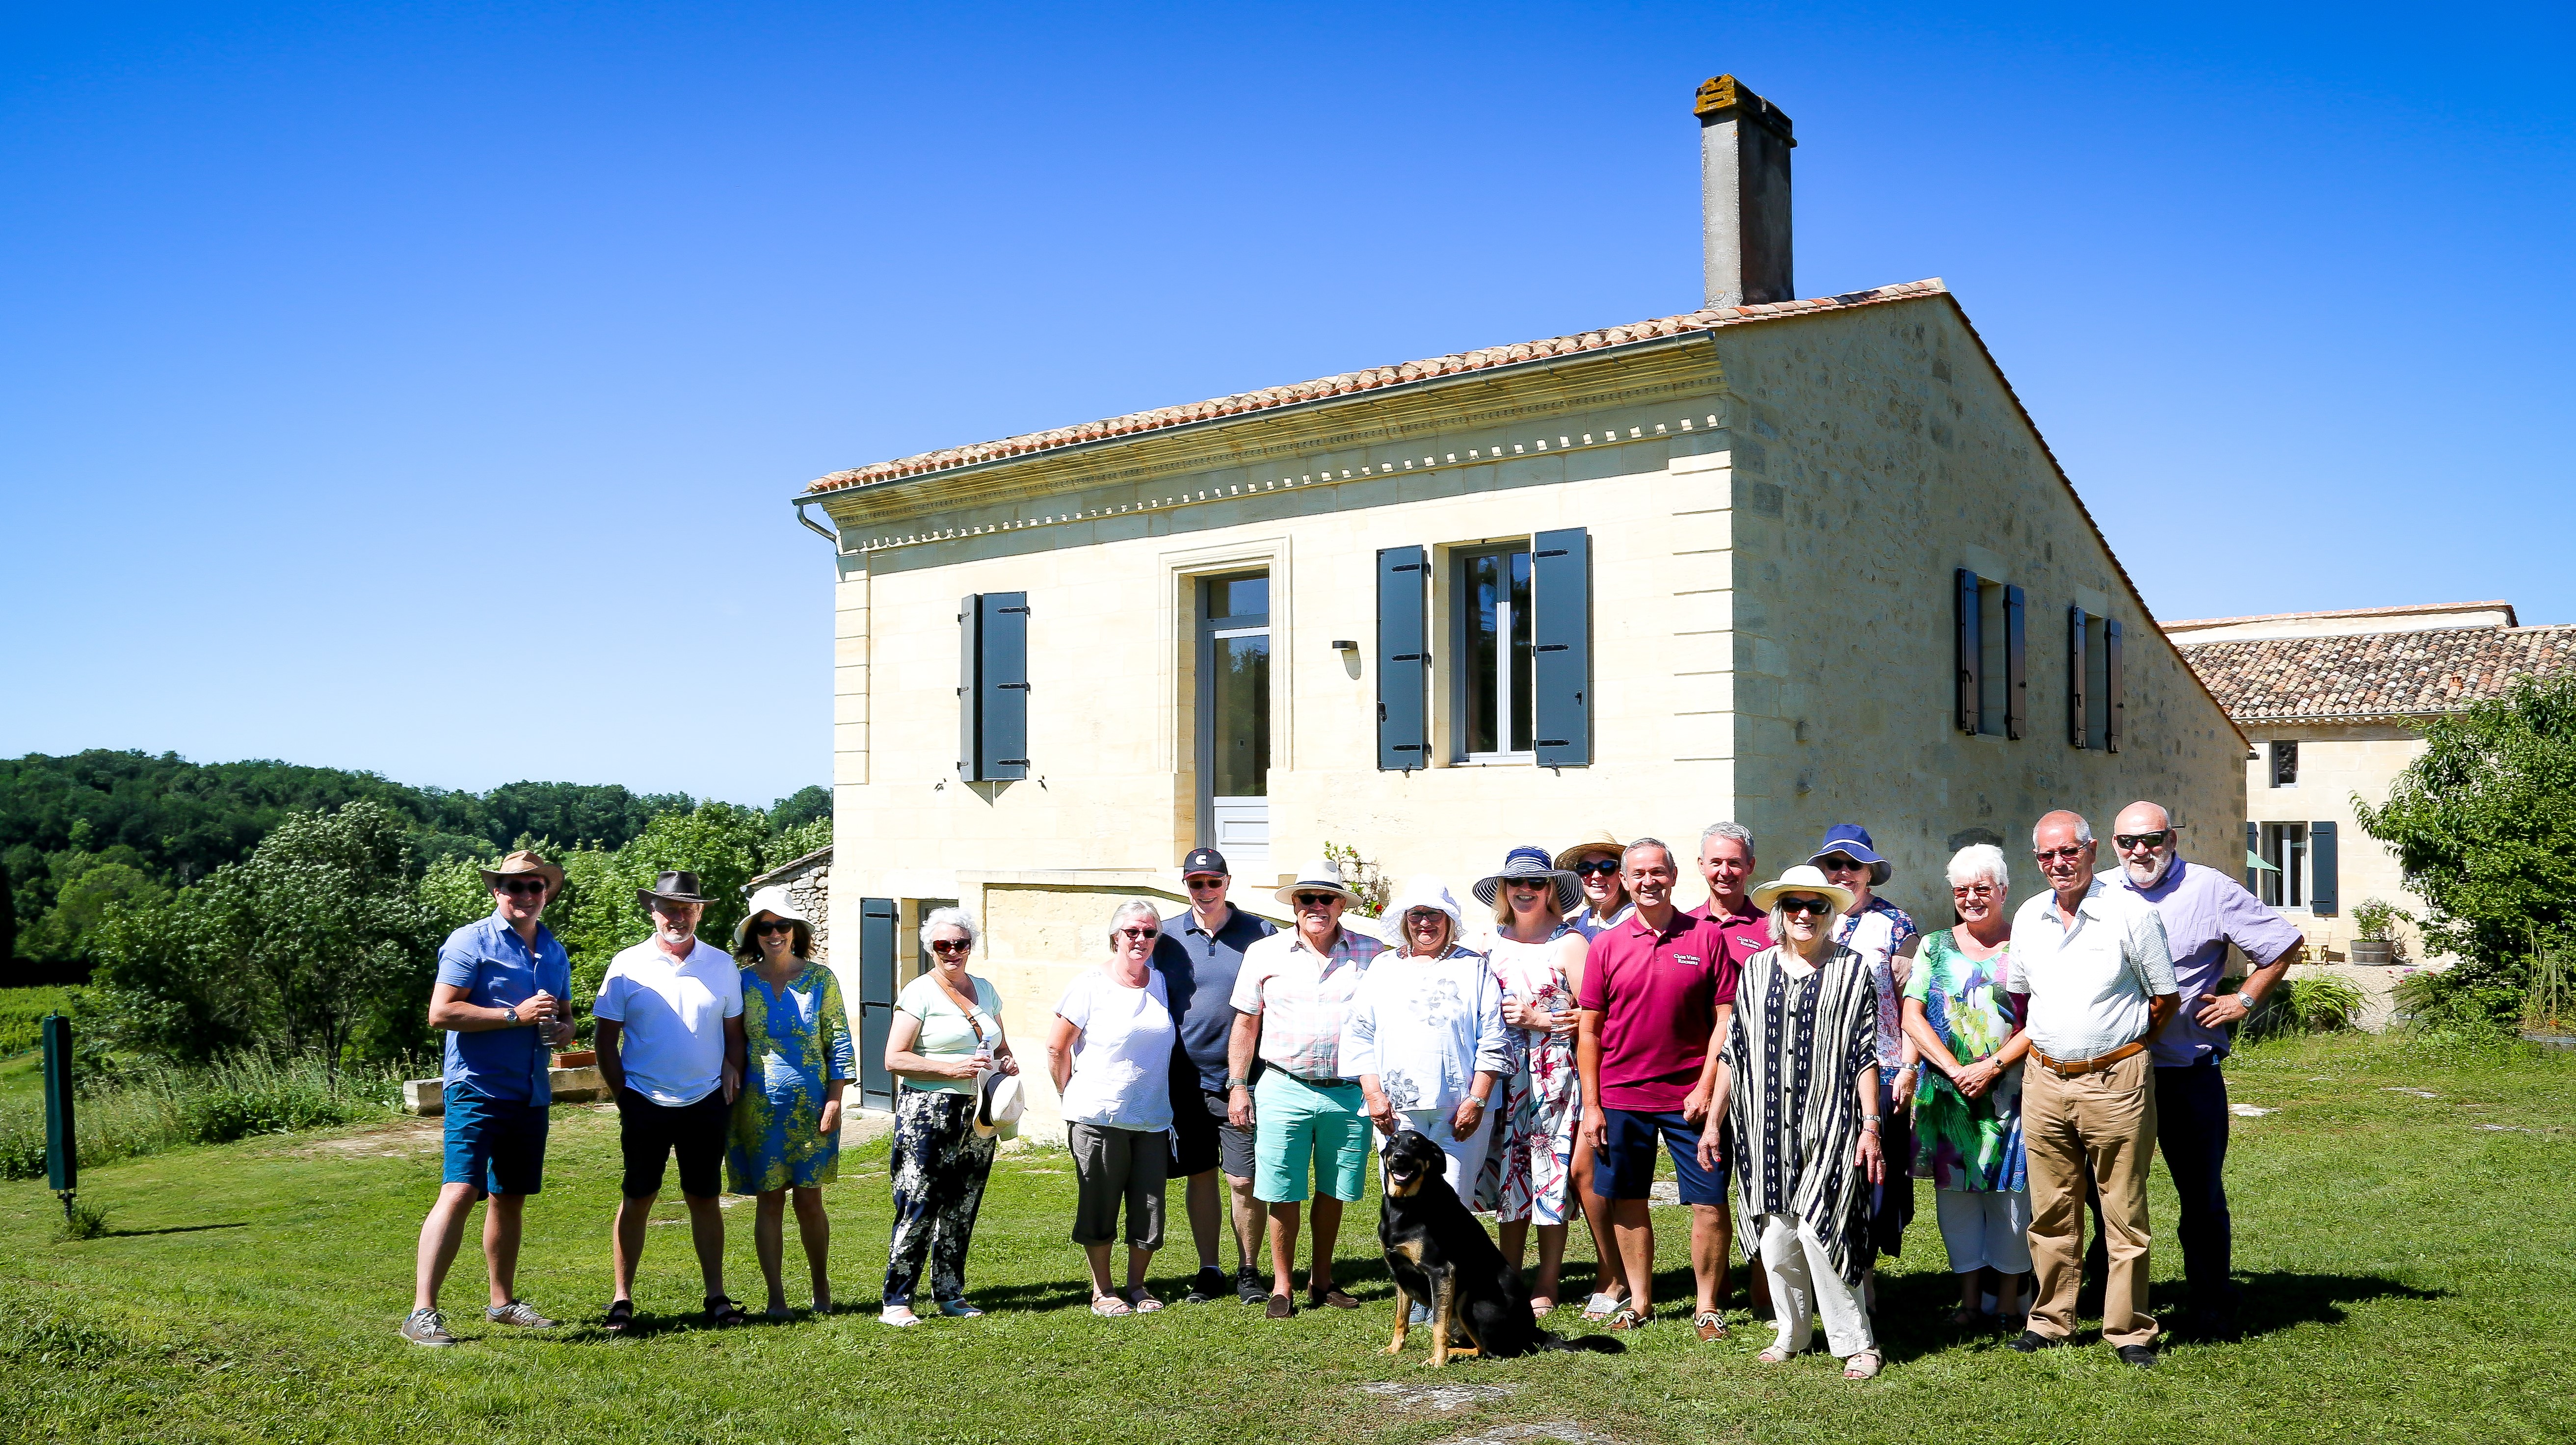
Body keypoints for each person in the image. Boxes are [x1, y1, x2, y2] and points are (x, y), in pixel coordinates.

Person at [2105, 800, 2305, 1340]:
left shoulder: (2209, 887)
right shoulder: (2098, 890)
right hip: (2115, 1072)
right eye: (2127, 841)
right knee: (2108, 1194)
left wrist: (2242, 998)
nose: (2139, 850)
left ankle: (2212, 1299)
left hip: (2185, 1070)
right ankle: (2109, 1299)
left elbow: (2282, 943)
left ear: (2171, 837)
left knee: (2200, 1193)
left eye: (2150, 838)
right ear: (2113, 845)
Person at [1702, 864, 1887, 1379]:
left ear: (1831, 913)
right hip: (1763, 1125)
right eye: (1793, 905)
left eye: (1816, 906)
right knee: (1777, 1237)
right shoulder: (1755, 969)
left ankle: (1856, 1342)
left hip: (1829, 1122)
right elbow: (1732, 1053)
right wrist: (1714, 1122)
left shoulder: (1852, 971)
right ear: (1778, 912)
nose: (1803, 914)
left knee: (1819, 1230)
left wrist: (1870, 1126)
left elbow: (1863, 1055)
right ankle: (1793, 1330)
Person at [2009, 811, 2178, 1368]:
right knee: (2050, 1210)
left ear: (2088, 850)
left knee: (2122, 1210)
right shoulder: (2029, 914)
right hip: (2043, 1078)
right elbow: (2021, 999)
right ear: (2036, 860)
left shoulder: (2129, 910)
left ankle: (2128, 1328)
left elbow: (2163, 999)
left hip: (2115, 1079)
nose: (2058, 863)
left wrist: (2119, 1049)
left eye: (2069, 851)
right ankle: (2050, 1319)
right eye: (2046, 855)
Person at [402, 850, 577, 1346]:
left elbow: (565, 1021)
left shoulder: (554, 951)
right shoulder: (469, 941)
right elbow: (441, 1012)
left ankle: (502, 1303)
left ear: (546, 892)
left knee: (509, 1197)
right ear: (496, 891)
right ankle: (421, 1312)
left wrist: (561, 1029)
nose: (524, 895)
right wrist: (511, 1016)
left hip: (529, 1091)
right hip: (476, 1087)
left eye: (534, 886)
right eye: (512, 886)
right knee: (459, 1190)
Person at [1575, 837, 1739, 1340]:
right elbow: (1589, 1030)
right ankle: (1639, 1300)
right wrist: (1591, 1104)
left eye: (1657, 871)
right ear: (1625, 882)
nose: (1648, 881)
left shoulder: (1706, 937)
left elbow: (1725, 1018)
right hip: (1622, 1095)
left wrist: (1706, 1086)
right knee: (1627, 1197)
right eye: (1638, 873)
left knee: (1709, 1199)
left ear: (1673, 875)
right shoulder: (1605, 944)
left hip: (1691, 1098)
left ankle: (1707, 1306)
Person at [1229, 857, 1384, 1318]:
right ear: (1294, 904)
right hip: (1283, 1084)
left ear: (1341, 904)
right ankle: (1282, 1285)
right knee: (1282, 1186)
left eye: (1326, 897)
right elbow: (1245, 1022)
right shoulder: (1264, 953)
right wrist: (1238, 1085)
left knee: (1335, 1187)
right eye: (1307, 898)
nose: (1316, 906)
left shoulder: (1372, 952)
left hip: (1347, 1090)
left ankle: (1322, 1280)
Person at [595, 870, 748, 1332]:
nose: (677, 917)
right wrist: (625, 1095)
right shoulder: (626, 964)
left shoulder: (722, 966)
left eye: (687, 908)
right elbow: (605, 1040)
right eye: (669, 908)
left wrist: (730, 1069)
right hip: (644, 1098)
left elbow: (734, 1035)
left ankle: (716, 1296)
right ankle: (622, 1299)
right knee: (637, 1196)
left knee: (704, 1197)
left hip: (705, 1100)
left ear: (700, 911)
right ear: (652, 910)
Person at [1902, 844, 2033, 1329]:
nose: (1972, 898)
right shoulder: (1933, 945)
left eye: (1982, 888)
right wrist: (1952, 1068)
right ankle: (1967, 1300)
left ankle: (2006, 1300)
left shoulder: (2023, 944)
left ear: (2002, 890)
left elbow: (2041, 1016)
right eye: (1962, 890)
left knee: (2011, 1197)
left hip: (2011, 1093)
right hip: (1945, 1096)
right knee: (1955, 1199)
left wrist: (1992, 1066)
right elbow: (1911, 1013)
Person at [880, 905, 1020, 1327]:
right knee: (919, 1201)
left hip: (979, 1109)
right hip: (928, 1109)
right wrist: (949, 1069)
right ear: (930, 948)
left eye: (960, 944)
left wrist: (1007, 1062)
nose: (952, 951)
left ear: (970, 946)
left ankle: (950, 1292)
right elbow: (893, 1058)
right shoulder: (918, 992)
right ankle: (897, 1299)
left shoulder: (985, 989)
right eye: (943, 945)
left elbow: (1000, 1046)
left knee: (963, 1202)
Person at [1153, 846, 1277, 1306]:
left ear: (1228, 882)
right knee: (1199, 1174)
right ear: (1185, 884)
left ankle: (1249, 1269)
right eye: (1195, 883)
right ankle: (1209, 1269)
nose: (1204, 890)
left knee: (1243, 1179)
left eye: (1212, 882)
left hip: (1242, 1079)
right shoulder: (1164, 936)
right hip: (1183, 1079)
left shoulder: (1261, 933)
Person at [1048, 899, 1181, 1318]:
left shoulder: (1159, 982)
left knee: (1149, 1206)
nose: (1140, 939)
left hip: (1152, 1117)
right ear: (1115, 937)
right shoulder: (1090, 984)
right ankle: (1102, 1289)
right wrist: (1072, 1096)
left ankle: (1137, 1285)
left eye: (1148, 932)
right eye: (1131, 932)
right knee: (1100, 1202)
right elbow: (1057, 1047)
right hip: (1098, 1116)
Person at [726, 885, 853, 1320]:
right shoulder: (740, 981)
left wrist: (836, 1099)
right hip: (756, 1108)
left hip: (813, 1106)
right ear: (754, 934)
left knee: (810, 1200)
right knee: (769, 1200)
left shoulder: (821, 979)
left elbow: (838, 1039)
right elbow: (731, 1041)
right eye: (765, 927)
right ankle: (775, 1298)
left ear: (795, 929)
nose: (774, 933)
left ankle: (821, 1290)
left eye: (782, 925)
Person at [1472, 846, 1589, 1315]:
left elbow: (1595, 1017)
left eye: (1536, 884)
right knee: (1508, 1175)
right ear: (1503, 891)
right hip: (1500, 1077)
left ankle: (1547, 1280)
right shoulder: (1487, 943)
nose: (1525, 890)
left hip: (1552, 1077)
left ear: (1551, 890)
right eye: (1515, 883)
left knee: (1548, 1175)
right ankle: (1508, 1274)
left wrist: (1539, 1018)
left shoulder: (1570, 943)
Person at [1806, 824, 1921, 1292]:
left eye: (1852, 865)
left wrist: (1910, 1066)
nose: (1842, 873)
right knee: (1824, 1169)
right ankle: (1824, 1271)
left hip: (1884, 1064)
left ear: (1869, 872)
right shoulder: (1808, 916)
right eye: (1833, 864)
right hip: (1819, 1069)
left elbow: (1912, 1004)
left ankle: (1865, 1275)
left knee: (1873, 1175)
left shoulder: (1896, 925)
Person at [1346, 876, 1510, 1191]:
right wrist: (1374, 1095)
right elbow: (1359, 1033)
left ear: (1449, 920)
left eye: (1434, 914)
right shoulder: (1383, 966)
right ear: (1405, 920)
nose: (1425, 923)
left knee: (1453, 1206)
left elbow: (1494, 1037)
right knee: (1404, 1208)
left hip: (1460, 1110)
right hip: (1396, 1110)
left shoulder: (1474, 967)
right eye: (1416, 914)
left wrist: (1477, 1100)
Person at [1556, 830, 1633, 941]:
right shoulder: (1572, 922)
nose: (1597, 876)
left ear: (1621, 874)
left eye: (1607, 867)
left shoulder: (1637, 920)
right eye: (1586, 868)